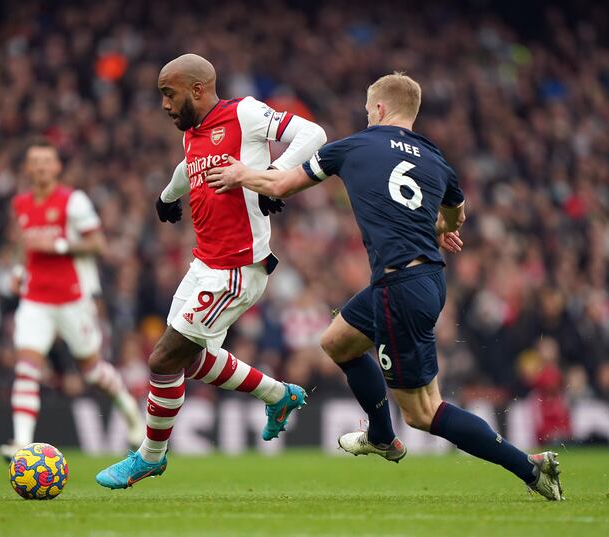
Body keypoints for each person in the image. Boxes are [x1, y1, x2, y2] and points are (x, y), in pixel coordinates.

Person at [206, 72, 564, 501]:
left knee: (423, 412)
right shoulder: (435, 158)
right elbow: (457, 215)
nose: (365, 114)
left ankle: (530, 466)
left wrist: (241, 173)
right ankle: (381, 436)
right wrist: (439, 229)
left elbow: (282, 184)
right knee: (338, 341)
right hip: (425, 280)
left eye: (366, 108)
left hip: (400, 288)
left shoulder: (355, 145)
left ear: (377, 108)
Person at [95, 54, 327, 489]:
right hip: (203, 264)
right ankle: (280, 395)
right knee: (191, 359)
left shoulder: (245, 112)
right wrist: (167, 197)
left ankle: (150, 456)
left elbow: (313, 133)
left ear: (197, 90)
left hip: (237, 269)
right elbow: (189, 169)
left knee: (163, 358)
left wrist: (272, 175)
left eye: (169, 94)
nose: (164, 105)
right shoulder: (193, 133)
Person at [0, 138, 145, 460]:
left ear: (56, 167)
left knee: (92, 371)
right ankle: (22, 444)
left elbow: (97, 244)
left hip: (71, 298)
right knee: (26, 367)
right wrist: (18, 269)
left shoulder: (73, 201)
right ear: (27, 168)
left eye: (45, 161)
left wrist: (62, 246)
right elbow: (23, 244)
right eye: (34, 162)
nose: (40, 167)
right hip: (35, 299)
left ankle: (129, 408)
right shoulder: (20, 203)